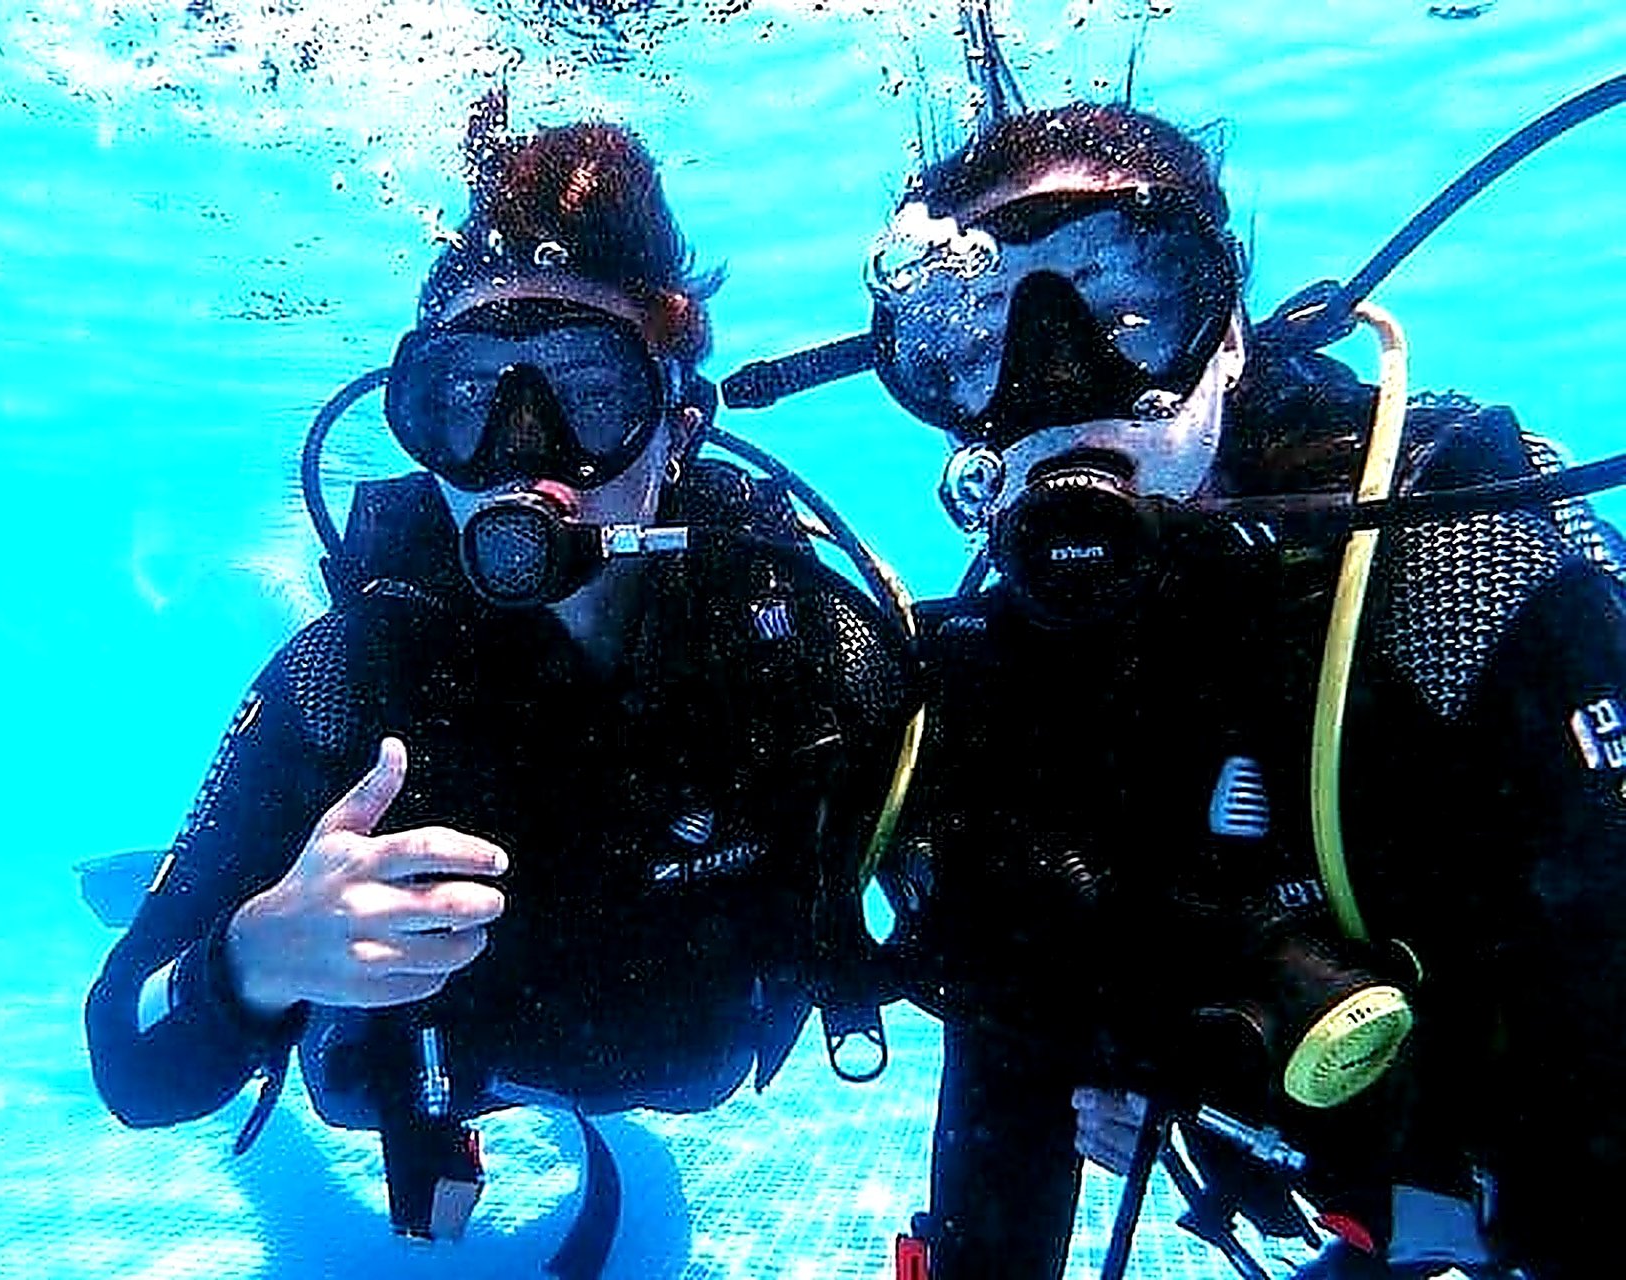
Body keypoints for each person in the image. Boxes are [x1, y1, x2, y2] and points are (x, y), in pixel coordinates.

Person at [83, 115, 910, 1264]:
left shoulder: (814, 653)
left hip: (675, 1055)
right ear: (417, 430)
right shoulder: (348, 680)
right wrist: (258, 951)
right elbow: (128, 1057)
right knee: (307, 1031)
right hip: (418, 1068)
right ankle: (217, 872)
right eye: (468, 400)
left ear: (675, 424)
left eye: (586, 390)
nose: (527, 456)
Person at [821, 102, 1626, 1278]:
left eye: (1128, 305)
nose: (1057, 386)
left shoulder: (1455, 561)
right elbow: (1005, 1078)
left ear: (1230, 328)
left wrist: (1390, 1145)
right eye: (980, 332)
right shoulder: (996, 684)